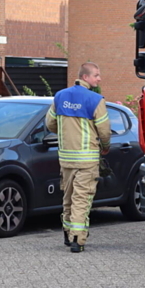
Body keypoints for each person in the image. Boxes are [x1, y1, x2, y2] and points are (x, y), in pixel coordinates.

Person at [45, 62, 111, 253]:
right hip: (87, 160)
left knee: (68, 197)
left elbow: (50, 123)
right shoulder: (95, 100)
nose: (99, 79)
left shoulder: (60, 96)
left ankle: (68, 233)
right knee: (82, 199)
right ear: (85, 77)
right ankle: (77, 239)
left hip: (66, 159)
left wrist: (65, 134)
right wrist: (105, 147)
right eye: (96, 75)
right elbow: (104, 131)